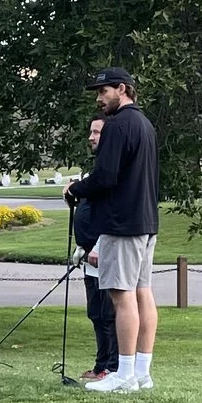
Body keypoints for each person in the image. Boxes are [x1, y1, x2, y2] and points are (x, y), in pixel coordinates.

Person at [67, 67, 159, 391]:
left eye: (103, 91)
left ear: (122, 89)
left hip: (122, 224)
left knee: (122, 297)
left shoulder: (118, 126)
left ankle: (124, 375)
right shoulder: (145, 125)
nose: (99, 97)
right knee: (142, 292)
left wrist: (76, 189)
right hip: (146, 221)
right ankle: (143, 372)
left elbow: (106, 176)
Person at [70, 114, 119, 384]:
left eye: (97, 132)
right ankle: (101, 364)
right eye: (91, 132)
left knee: (108, 314)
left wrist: (98, 246)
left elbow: (110, 215)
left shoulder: (109, 173)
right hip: (88, 257)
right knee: (96, 313)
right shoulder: (98, 170)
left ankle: (111, 367)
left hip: (103, 255)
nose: (91, 137)